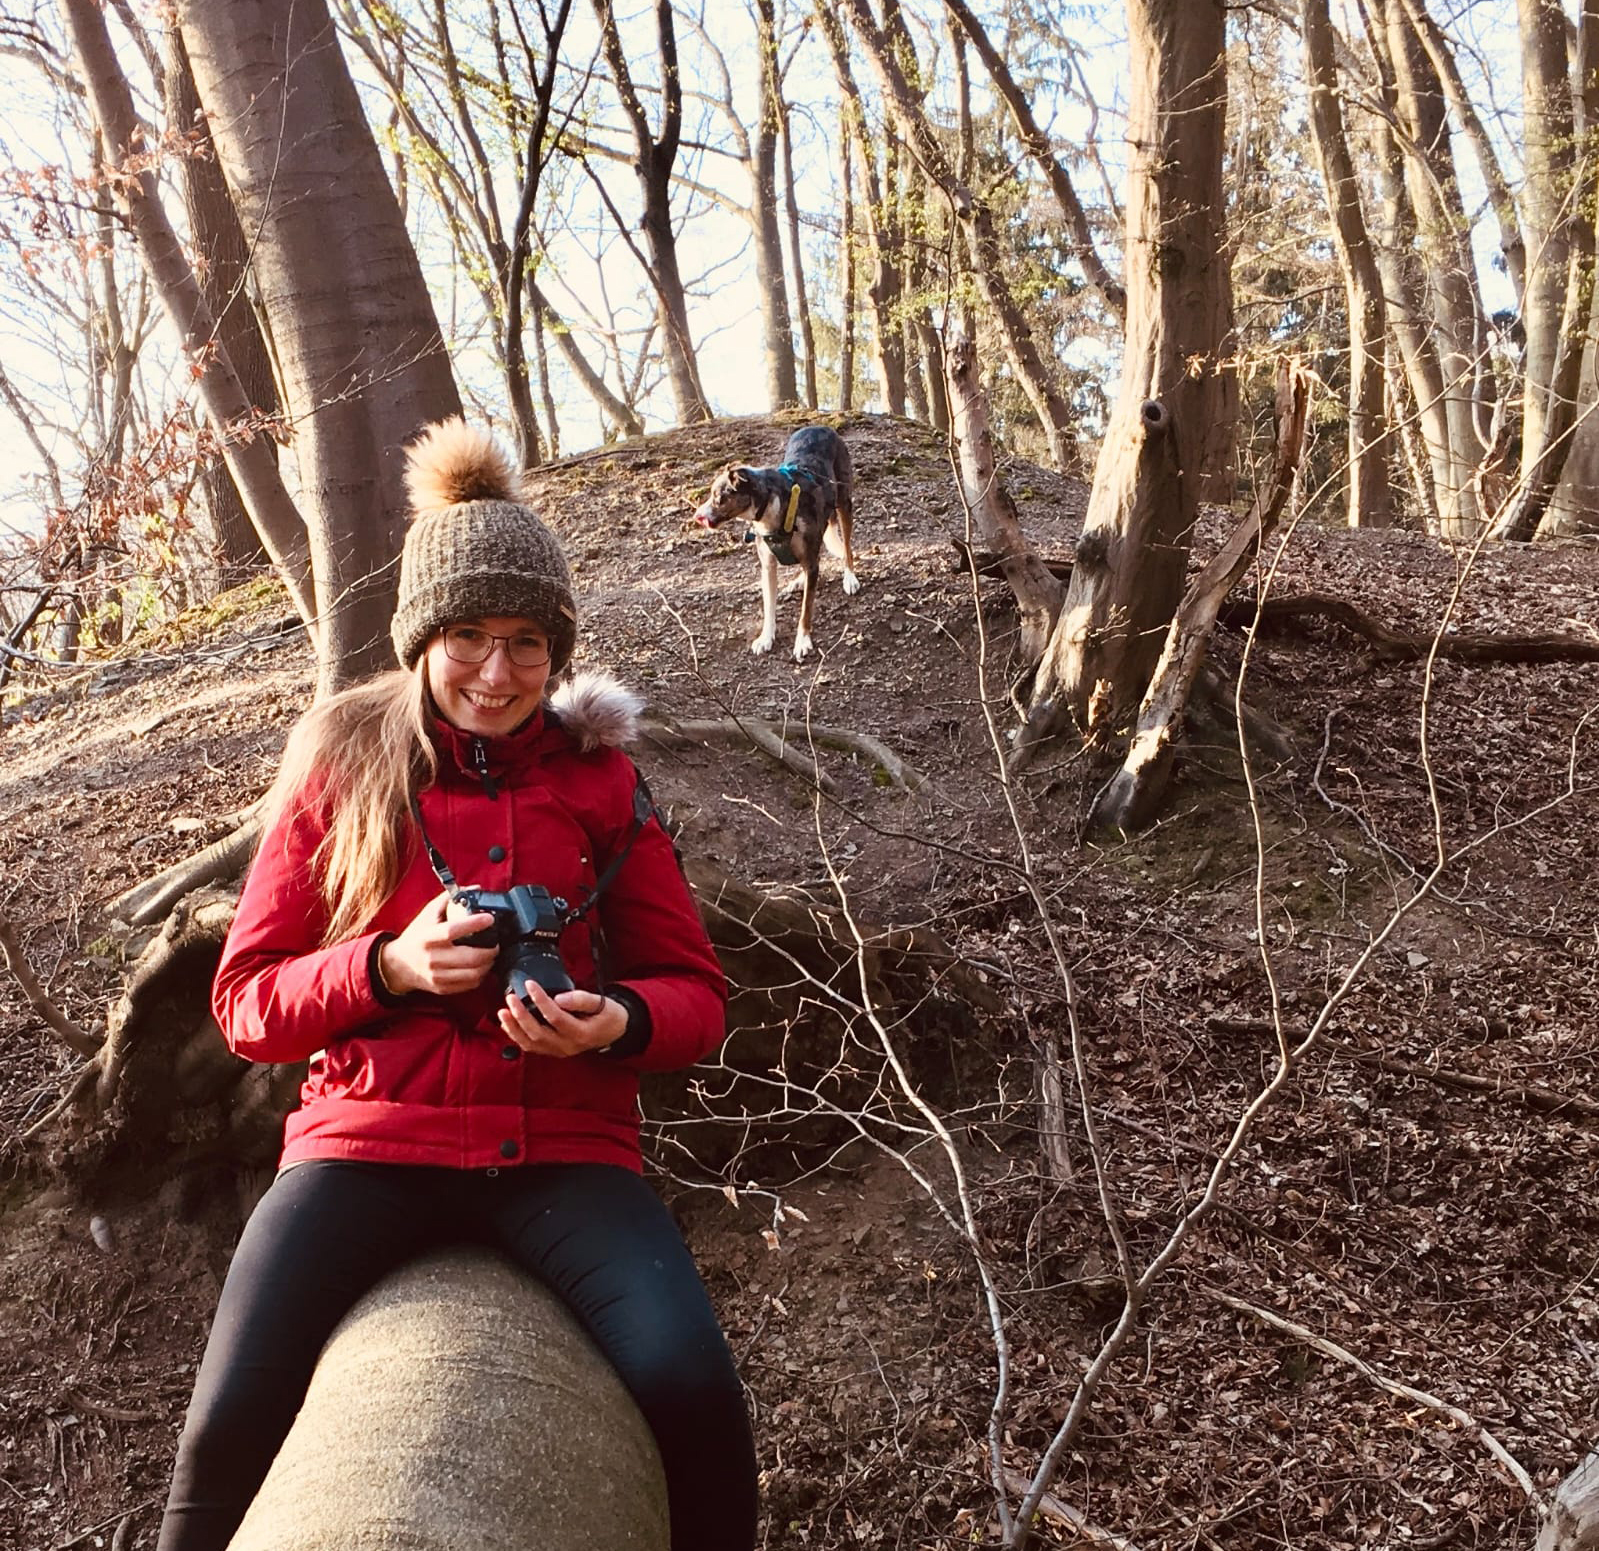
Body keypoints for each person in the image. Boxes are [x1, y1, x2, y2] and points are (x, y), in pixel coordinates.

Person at [156, 419, 758, 1551]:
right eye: (469, 637)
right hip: (366, 1149)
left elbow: (696, 994)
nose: (497, 672)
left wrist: (614, 1023)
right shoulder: (343, 766)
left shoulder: (602, 783)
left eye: (528, 643)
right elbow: (246, 1002)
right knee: (226, 1427)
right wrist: (385, 965)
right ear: (422, 639)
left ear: (559, 652)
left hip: (565, 1153)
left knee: (695, 1395)